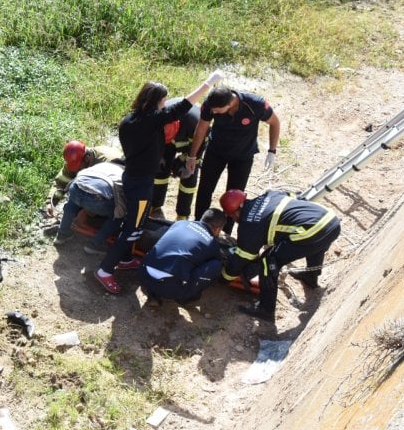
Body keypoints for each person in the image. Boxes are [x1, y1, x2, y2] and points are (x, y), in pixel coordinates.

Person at [94, 70, 224, 295]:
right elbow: (183, 105)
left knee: (133, 222)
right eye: (163, 101)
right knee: (133, 230)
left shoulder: (128, 121)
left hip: (132, 176)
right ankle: (105, 271)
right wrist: (208, 84)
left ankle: (125, 259)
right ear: (155, 102)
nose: (165, 105)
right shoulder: (152, 121)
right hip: (142, 184)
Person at [218, 189, 341, 321]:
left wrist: (225, 277)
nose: (232, 219)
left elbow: (244, 257)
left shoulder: (248, 226)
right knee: (314, 243)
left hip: (313, 231)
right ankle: (311, 277)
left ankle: (266, 309)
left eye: (231, 216)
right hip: (330, 220)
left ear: (235, 213)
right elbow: (296, 197)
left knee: (268, 260)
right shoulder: (270, 195)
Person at [185, 86, 280, 233]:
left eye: (217, 111)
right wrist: (192, 156)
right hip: (215, 152)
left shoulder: (255, 104)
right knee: (204, 190)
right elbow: (202, 127)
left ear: (230, 104)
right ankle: (199, 224)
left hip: (242, 157)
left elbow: (274, 122)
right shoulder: (210, 104)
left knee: (234, 198)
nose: (214, 113)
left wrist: (272, 151)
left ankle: (225, 232)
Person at [137, 208, 227, 305]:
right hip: (168, 288)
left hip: (143, 275)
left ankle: (153, 293)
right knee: (216, 265)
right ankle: (185, 297)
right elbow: (214, 261)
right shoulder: (211, 242)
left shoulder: (180, 223)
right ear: (218, 229)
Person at [45, 140, 123, 243]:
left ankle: (98, 238)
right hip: (89, 190)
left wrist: (87, 211)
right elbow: (62, 181)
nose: (76, 169)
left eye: (79, 167)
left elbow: (118, 191)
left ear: (87, 159)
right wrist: (51, 202)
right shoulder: (75, 159)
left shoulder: (108, 161)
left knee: (118, 211)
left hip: (107, 190)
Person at [56, 160, 126, 252]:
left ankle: (62, 234)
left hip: (75, 187)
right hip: (97, 199)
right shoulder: (125, 174)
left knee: (72, 202)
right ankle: (94, 245)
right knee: (118, 217)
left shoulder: (103, 164)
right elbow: (122, 201)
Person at [151, 101, 202, 221]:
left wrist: (185, 160)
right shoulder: (156, 119)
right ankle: (155, 204)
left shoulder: (195, 124)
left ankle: (183, 213)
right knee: (160, 170)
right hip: (165, 144)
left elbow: (198, 149)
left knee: (189, 174)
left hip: (192, 146)